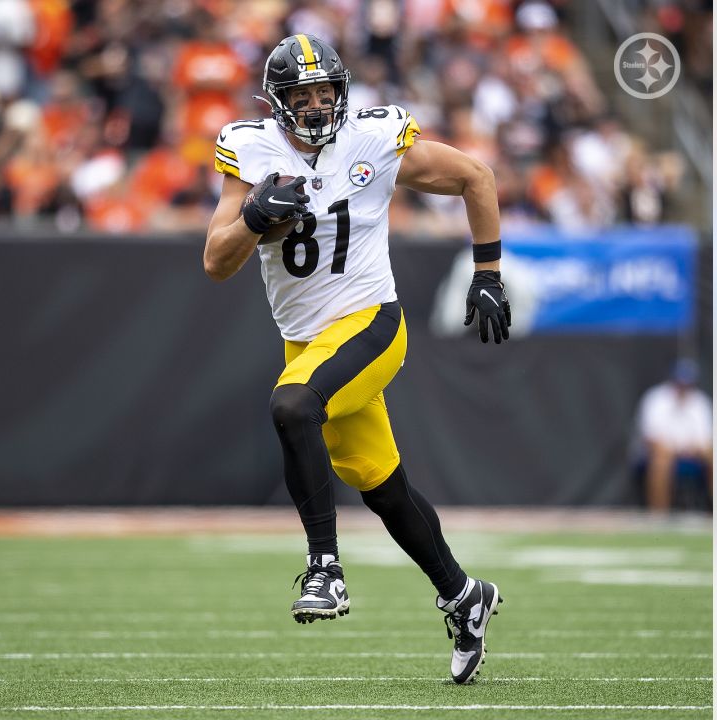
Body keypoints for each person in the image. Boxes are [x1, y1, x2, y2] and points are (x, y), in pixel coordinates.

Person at [204, 35, 511, 685]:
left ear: (342, 93)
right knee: (381, 483)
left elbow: (474, 178)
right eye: (302, 95)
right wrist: (255, 217)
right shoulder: (251, 150)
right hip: (308, 340)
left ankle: (325, 568)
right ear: (278, 103)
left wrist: (488, 271)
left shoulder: (372, 139)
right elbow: (216, 262)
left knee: (292, 404)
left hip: (372, 322)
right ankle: (463, 596)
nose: (316, 107)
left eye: (325, 93)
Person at [634, 359, 712, 511]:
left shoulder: (700, 402)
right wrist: (673, 449)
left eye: (686, 384)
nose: (682, 388)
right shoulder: (656, 399)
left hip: (693, 453)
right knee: (661, 459)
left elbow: (705, 440)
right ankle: (660, 516)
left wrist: (694, 449)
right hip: (663, 453)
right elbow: (651, 439)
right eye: (679, 383)